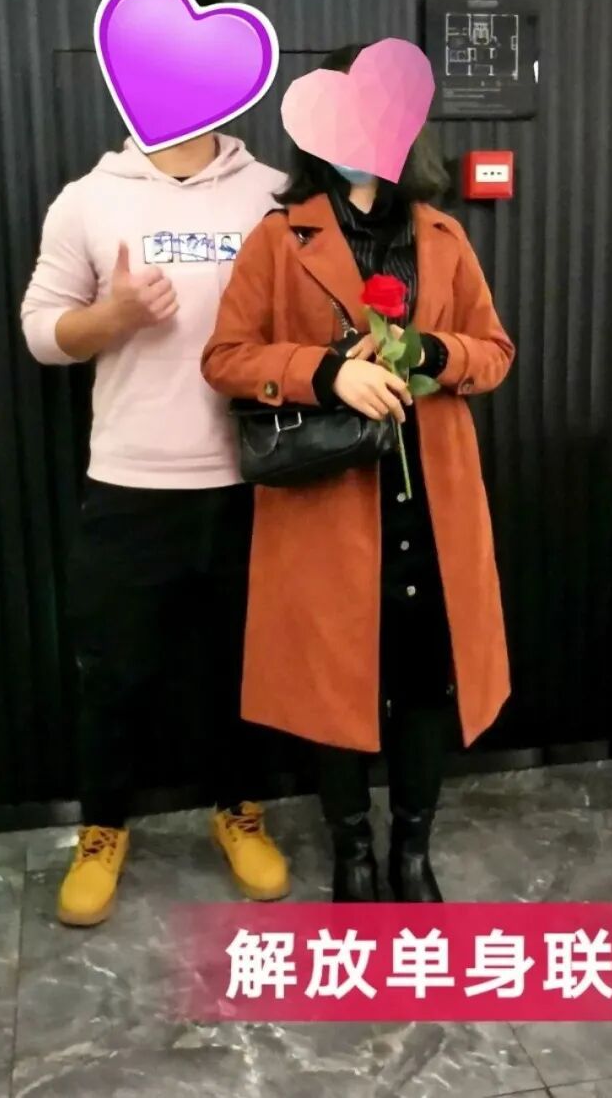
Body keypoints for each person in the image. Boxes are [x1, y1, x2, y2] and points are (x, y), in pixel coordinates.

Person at [201, 44, 515, 902]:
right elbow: (225, 358)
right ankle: (352, 850)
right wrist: (326, 372)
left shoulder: (442, 235)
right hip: (328, 499)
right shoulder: (280, 237)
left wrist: (436, 352)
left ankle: (412, 848)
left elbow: (495, 351)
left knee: (423, 681)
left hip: (433, 501)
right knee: (334, 678)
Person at [21, 0, 290, 927]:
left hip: (254, 480)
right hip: (129, 482)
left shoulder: (274, 195)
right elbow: (42, 331)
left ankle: (239, 809)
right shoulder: (88, 200)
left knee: (242, 667)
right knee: (115, 671)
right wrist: (116, 316)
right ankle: (103, 828)